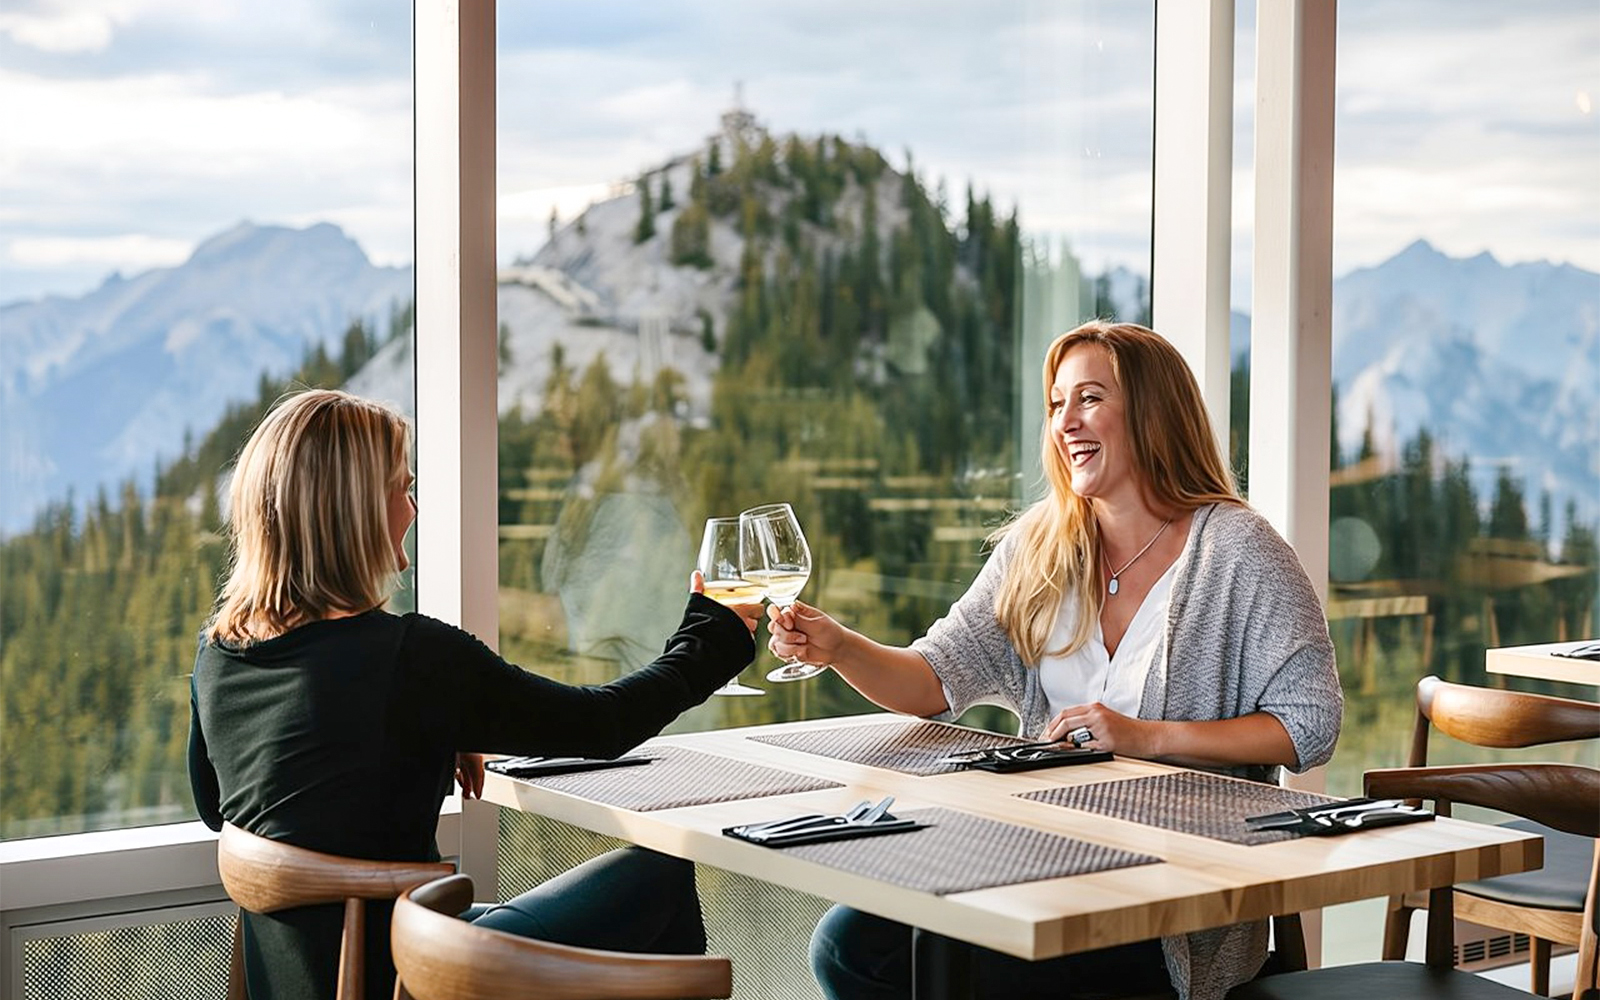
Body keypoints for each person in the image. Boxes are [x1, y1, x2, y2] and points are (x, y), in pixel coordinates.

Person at [768, 321, 1343, 1000]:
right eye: (1056, 403)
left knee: (945, 966)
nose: (1065, 422)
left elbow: (1310, 725)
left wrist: (1145, 738)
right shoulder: (1040, 547)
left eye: (1090, 399)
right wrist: (840, 647)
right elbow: (934, 677)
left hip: (1168, 901)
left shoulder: (1238, 551)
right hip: (1039, 854)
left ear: (1153, 414)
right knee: (851, 946)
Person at [187, 388, 759, 1000]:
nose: (412, 509)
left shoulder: (219, 654)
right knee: (659, 874)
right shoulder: (410, 659)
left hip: (313, 980)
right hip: (411, 972)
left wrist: (431, 732)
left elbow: (223, 806)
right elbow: (603, 724)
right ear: (355, 511)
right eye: (402, 489)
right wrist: (711, 637)